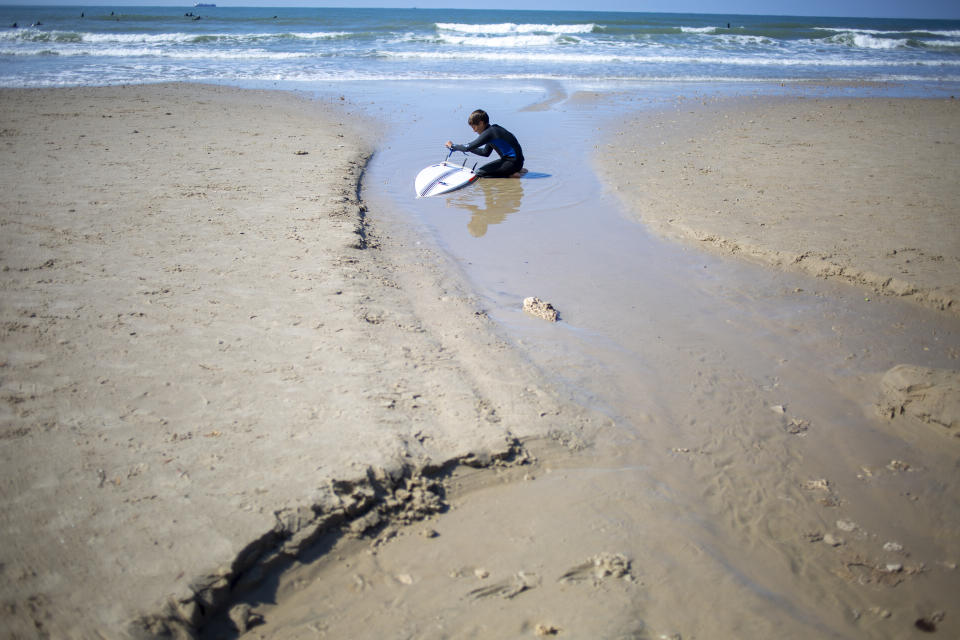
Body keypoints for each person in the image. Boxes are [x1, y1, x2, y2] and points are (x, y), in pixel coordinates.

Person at [445, 109, 525, 178]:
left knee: (479, 173)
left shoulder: (489, 133)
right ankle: (515, 170)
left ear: (481, 123)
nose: (474, 131)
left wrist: (452, 145)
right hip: (515, 162)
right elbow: (485, 152)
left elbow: (467, 147)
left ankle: (511, 174)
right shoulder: (492, 131)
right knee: (483, 171)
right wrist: (470, 148)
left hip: (513, 162)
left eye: (474, 127)